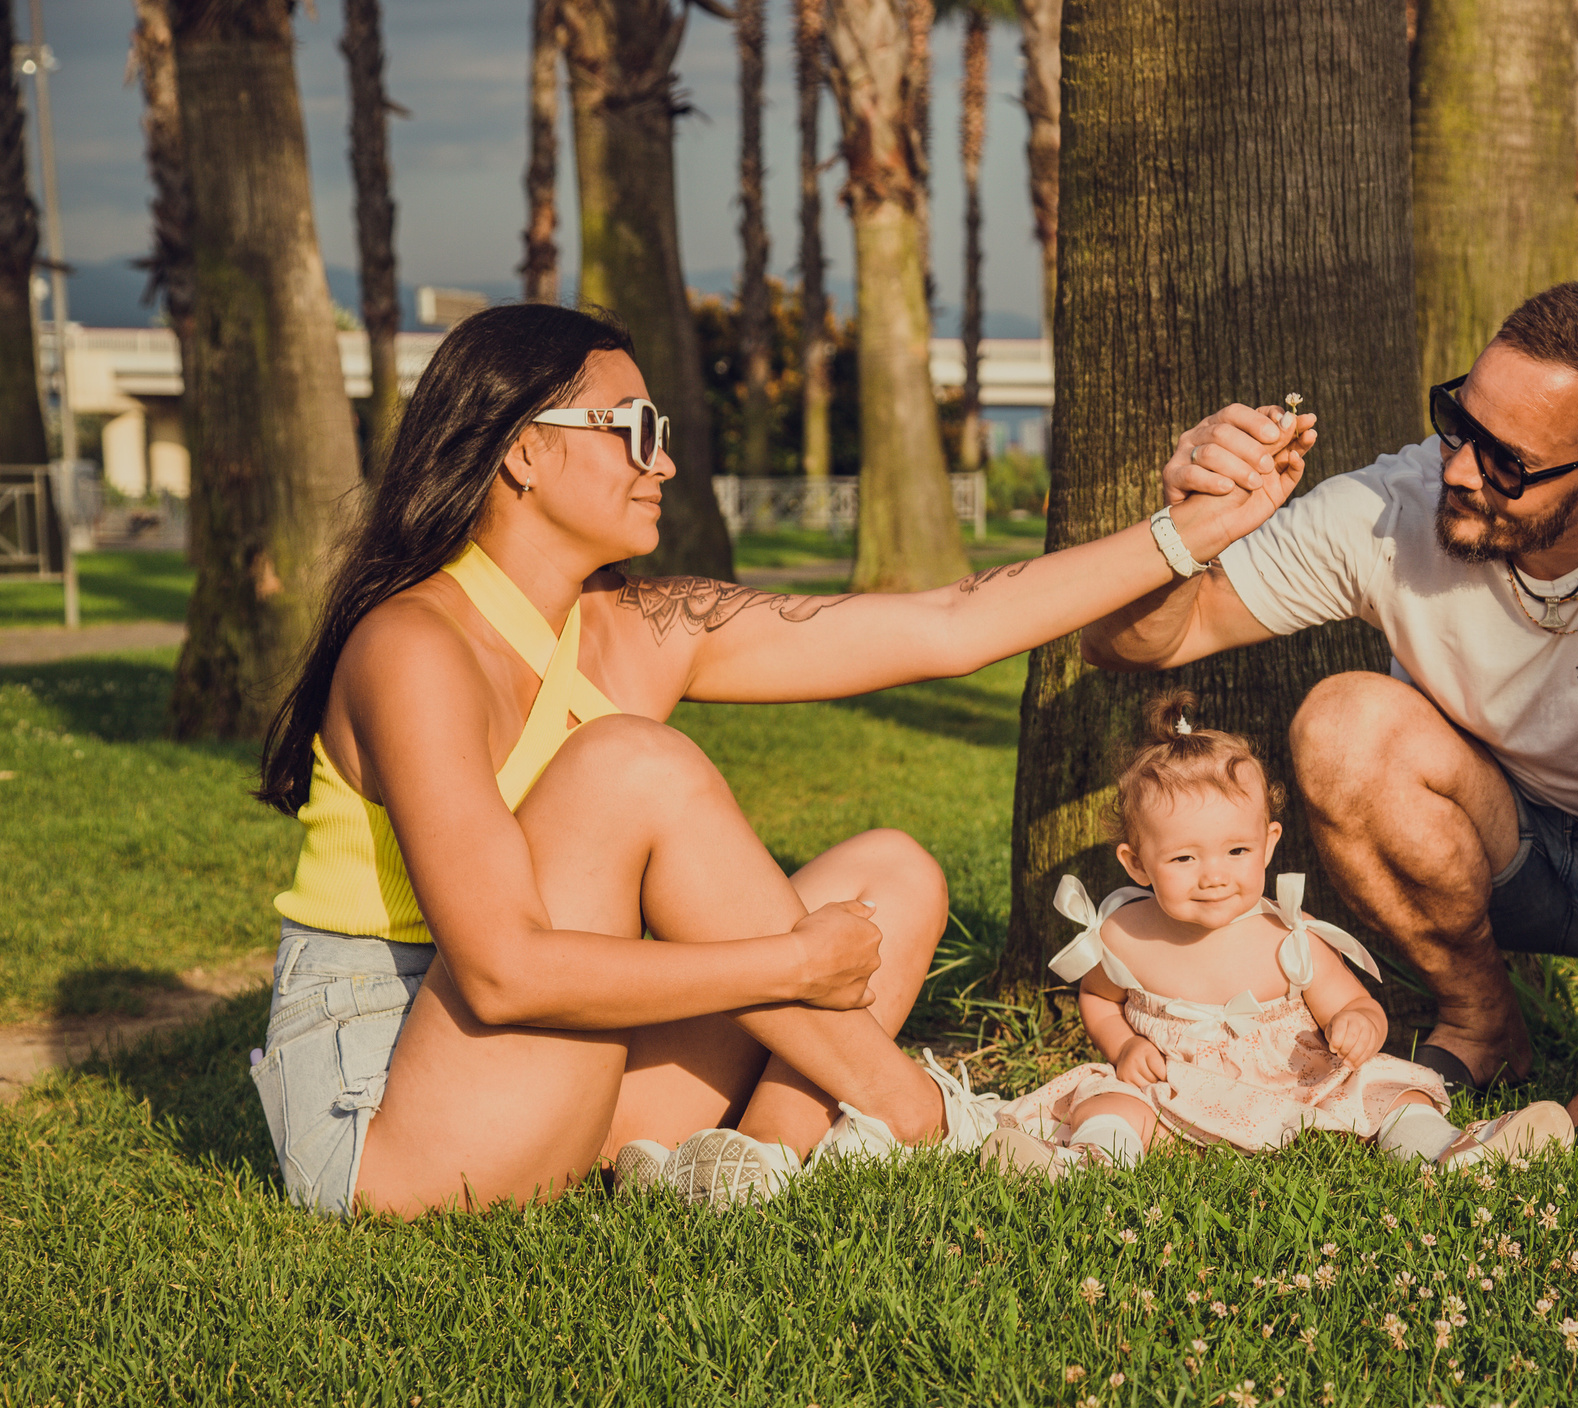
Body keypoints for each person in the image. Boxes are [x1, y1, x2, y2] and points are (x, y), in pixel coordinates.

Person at [249, 304, 1307, 1215]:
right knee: (630, 765)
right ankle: (921, 1114)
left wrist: (1189, 534)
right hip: (397, 1119)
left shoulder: (639, 626)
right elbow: (502, 969)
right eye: (634, 430)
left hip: (546, 1082)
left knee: (889, 872)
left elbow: (945, 625)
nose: (662, 460)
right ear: (524, 451)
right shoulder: (413, 645)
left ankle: (745, 1161)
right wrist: (789, 966)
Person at [1081, 282, 1578, 1135]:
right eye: (1460, 422)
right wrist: (1187, 526)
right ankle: (1481, 1018)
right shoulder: (1395, 505)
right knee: (1344, 725)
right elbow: (1133, 642)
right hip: (1489, 828)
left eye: (1508, 462)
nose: (1458, 469)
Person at [981, 692, 1575, 1176]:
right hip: (1173, 1096)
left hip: (1299, 1091)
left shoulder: (1286, 934)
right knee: (1110, 1099)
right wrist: (1124, 1046)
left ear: (1268, 844)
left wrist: (1358, 1024)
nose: (1214, 875)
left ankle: (1449, 1151)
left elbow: (1351, 1001)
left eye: (1236, 850)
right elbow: (1099, 999)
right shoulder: (1123, 933)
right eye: (1184, 859)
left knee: (1386, 1089)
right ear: (1137, 865)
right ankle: (1082, 1166)